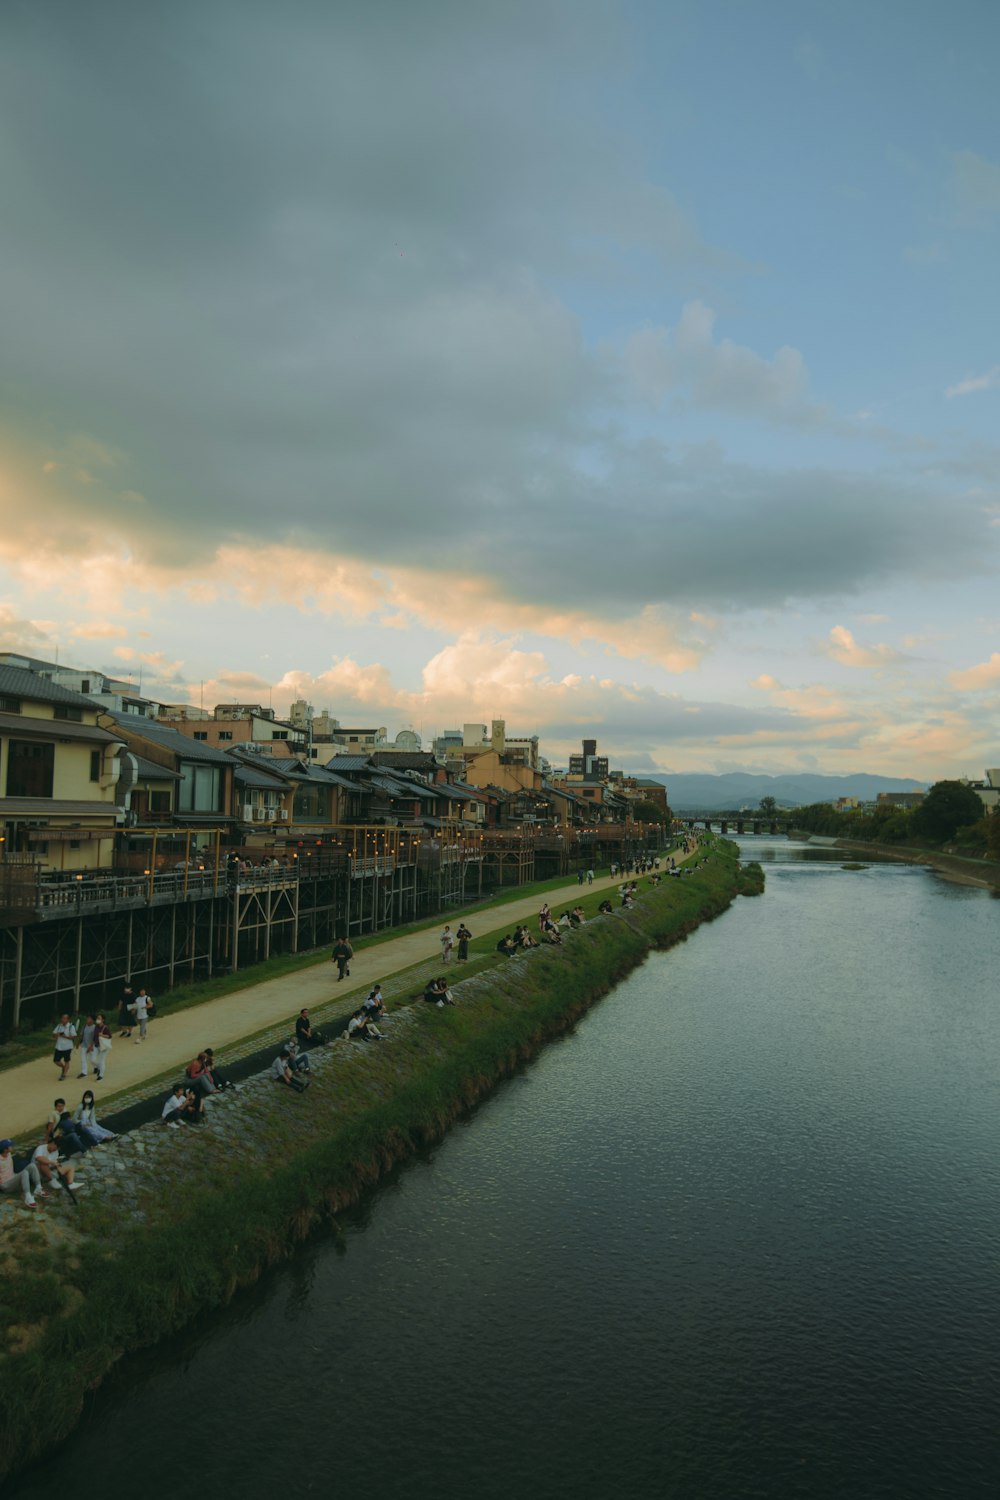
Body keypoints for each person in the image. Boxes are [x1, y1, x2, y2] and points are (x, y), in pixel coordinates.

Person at [0, 1139, 44, 1207]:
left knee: (32, 1165)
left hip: (13, 1177)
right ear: (5, 1149)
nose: (12, 1147)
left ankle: (38, 1188)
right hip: (5, 1184)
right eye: (10, 1146)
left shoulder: (8, 1154)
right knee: (24, 1173)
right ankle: (28, 1197)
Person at [52, 1014, 76, 1081]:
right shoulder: (59, 1026)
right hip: (59, 1046)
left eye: (64, 1018)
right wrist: (56, 1034)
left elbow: (73, 1037)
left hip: (67, 1047)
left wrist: (65, 1036)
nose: (62, 1019)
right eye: (62, 1018)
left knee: (66, 1060)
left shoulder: (71, 1027)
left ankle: (64, 1075)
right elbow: (53, 1034)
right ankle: (63, 1067)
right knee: (56, 1060)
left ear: (68, 1020)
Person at [92, 1013, 112, 1081]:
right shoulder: (96, 1026)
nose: (98, 1020)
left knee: (101, 1060)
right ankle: (99, 1068)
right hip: (96, 1045)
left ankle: (101, 1075)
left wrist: (102, 1035)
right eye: (97, 1018)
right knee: (93, 1059)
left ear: (103, 1020)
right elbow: (94, 1036)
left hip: (103, 1047)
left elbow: (109, 1036)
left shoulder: (105, 1027)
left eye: (99, 1018)